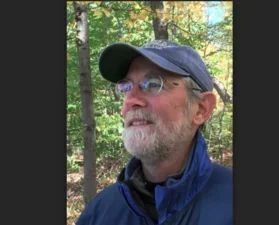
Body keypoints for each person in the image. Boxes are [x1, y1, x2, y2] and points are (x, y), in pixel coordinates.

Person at [76, 39, 232, 225]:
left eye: (151, 83)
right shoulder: (100, 212)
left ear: (201, 109)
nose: (131, 100)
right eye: (126, 87)